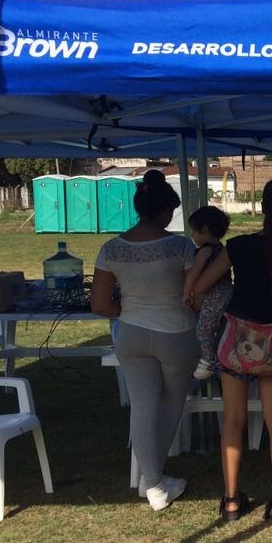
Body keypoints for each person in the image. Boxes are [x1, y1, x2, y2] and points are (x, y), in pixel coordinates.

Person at [192, 178, 272, 523]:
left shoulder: (238, 246)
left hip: (234, 342)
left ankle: (231, 501)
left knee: (233, 422)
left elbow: (201, 288)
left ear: (260, 208)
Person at [91, 169, 196, 512]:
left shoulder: (111, 249)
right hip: (176, 332)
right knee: (170, 403)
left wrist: (128, 306)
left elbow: (100, 304)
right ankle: (154, 481)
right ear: (167, 211)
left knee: (142, 404)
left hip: (131, 332)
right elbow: (193, 293)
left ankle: (151, 481)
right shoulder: (180, 245)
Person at [182, 205, 233, 380]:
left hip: (215, 294)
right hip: (226, 292)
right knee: (218, 328)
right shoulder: (221, 249)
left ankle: (207, 360)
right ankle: (219, 356)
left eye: (193, 231)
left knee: (203, 328)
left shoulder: (205, 250)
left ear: (204, 230)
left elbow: (193, 274)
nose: (192, 236)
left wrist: (186, 294)